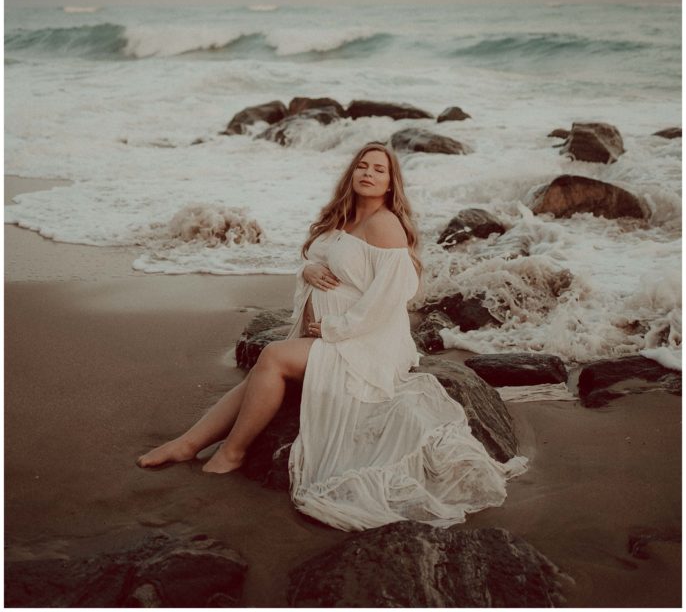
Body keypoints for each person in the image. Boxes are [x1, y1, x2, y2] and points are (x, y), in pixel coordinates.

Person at [138, 141, 526, 529]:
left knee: (272, 357)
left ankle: (233, 452)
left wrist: (339, 327)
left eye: (379, 169)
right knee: (264, 372)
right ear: (351, 173)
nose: (368, 173)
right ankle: (189, 443)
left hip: (365, 343)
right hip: (333, 338)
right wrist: (307, 270)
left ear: (391, 184)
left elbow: (392, 295)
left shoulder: (385, 224)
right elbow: (320, 260)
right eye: (362, 165)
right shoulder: (343, 218)